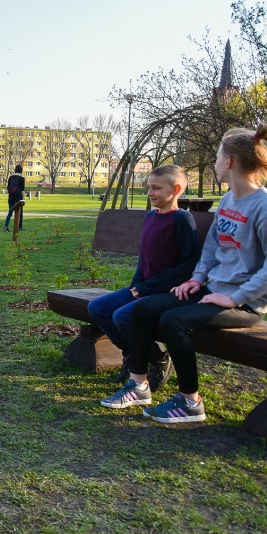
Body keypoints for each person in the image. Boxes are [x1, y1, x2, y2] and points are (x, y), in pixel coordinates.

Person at [101, 123, 267, 423]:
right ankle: (138, 387)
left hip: (245, 304)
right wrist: (196, 279)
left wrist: (235, 298)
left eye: (216, 158)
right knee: (142, 310)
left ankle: (191, 403)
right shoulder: (229, 201)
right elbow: (212, 248)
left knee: (173, 321)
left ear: (229, 162)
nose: (214, 164)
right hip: (212, 291)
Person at [89, 165, 199, 391]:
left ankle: (158, 359)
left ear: (176, 189)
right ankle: (133, 354)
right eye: (149, 187)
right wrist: (136, 286)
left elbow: (187, 267)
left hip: (166, 293)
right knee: (98, 308)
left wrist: (145, 289)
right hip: (144, 288)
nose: (150, 192)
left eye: (156, 188)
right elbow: (145, 258)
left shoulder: (182, 220)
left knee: (122, 317)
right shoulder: (150, 216)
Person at [4, 164, 25, 231]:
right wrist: (23, 198)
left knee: (10, 212)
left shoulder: (10, 178)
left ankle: (6, 226)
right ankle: (19, 226)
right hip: (18, 197)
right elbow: (22, 189)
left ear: (15, 170)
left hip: (11, 197)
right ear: (21, 171)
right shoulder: (22, 178)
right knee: (20, 212)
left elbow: (8, 188)